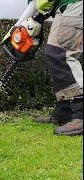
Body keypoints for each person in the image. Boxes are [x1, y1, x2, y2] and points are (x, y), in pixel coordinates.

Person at [14, 0, 83, 135]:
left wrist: (17, 25)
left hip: (74, 4)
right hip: (64, 8)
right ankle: (65, 111)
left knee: (61, 55)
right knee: (53, 54)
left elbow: (38, 3)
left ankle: (80, 114)